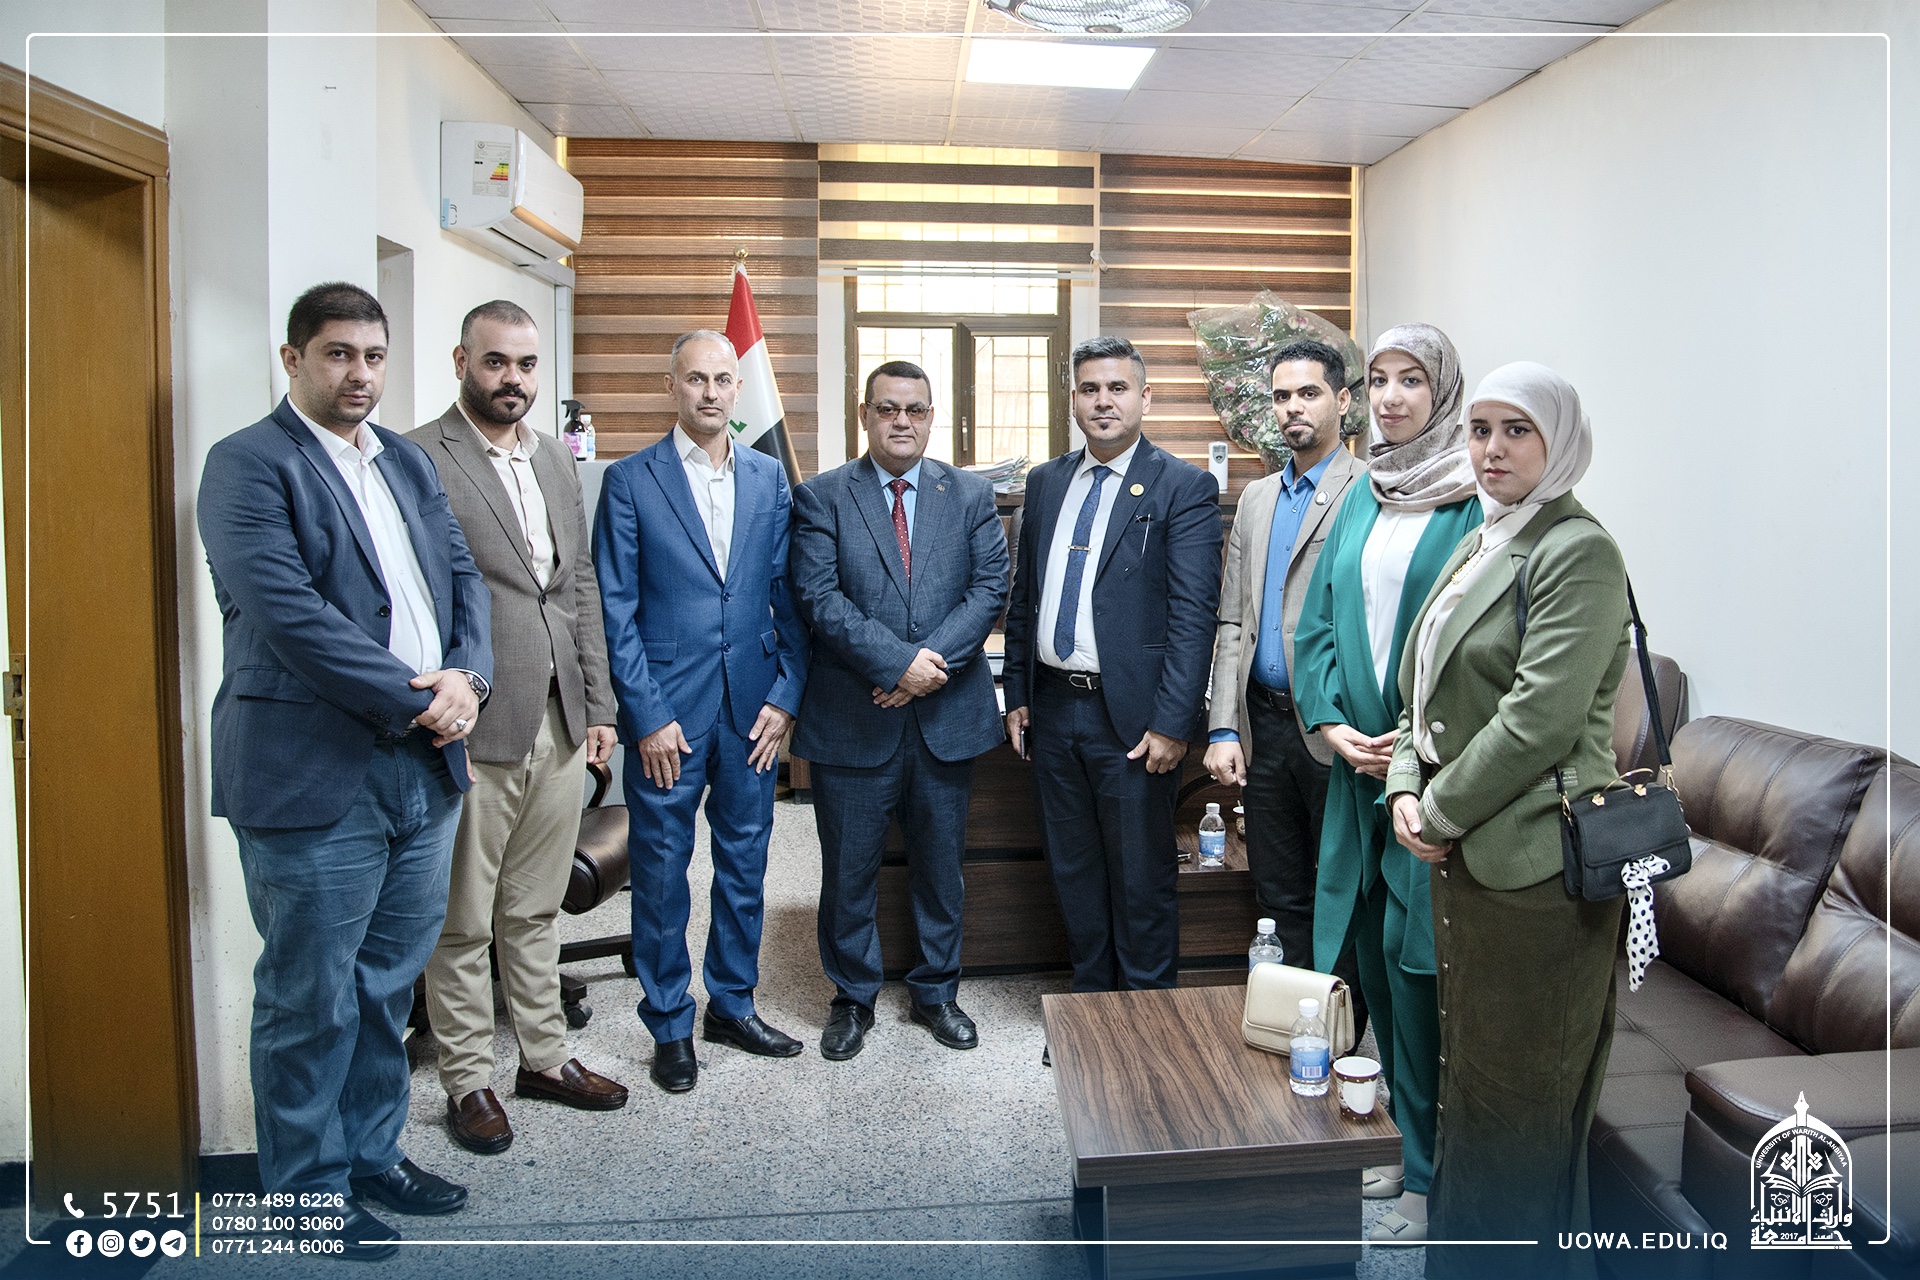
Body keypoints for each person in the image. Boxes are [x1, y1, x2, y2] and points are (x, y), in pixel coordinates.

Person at [197, 282, 491, 1261]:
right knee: (309, 995)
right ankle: (302, 1193)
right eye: (337, 353)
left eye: (373, 354)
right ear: (293, 360)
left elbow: (462, 581)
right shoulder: (247, 464)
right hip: (313, 771)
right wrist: (425, 696)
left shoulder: (404, 459)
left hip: (424, 768)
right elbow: (290, 617)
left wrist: (470, 677)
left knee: (385, 985)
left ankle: (371, 1154)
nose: (359, 373)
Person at [1382, 362, 1629, 1280]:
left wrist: (1439, 809)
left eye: (1516, 430)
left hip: (1537, 871)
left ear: (1559, 440)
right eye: (1479, 429)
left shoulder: (1578, 550)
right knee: (1473, 1090)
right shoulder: (1491, 536)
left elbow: (1540, 720)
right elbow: (1423, 686)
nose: (1491, 449)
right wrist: (1405, 781)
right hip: (1470, 859)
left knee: (1520, 1110)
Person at [409, 300, 627, 1155]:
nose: (513, 380)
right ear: (462, 360)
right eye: (496, 361)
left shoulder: (555, 460)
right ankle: (468, 1078)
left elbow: (578, 588)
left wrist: (599, 706)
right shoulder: (420, 457)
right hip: (475, 721)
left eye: (527, 365)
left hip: (562, 718)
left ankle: (545, 1057)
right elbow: (417, 595)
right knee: (464, 920)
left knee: (534, 908)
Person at [1290, 325, 1483, 1243]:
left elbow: (1473, 650)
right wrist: (1331, 725)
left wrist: (1406, 748)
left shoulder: (1476, 502)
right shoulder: (1365, 493)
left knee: (1417, 971)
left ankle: (1428, 1176)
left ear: (1444, 392)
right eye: (1380, 379)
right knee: (1366, 951)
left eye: (1414, 380)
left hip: (1426, 779)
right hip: (1354, 768)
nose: (1393, 397)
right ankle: (1400, 1138)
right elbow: (1318, 623)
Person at [593, 329, 809, 1094]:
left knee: (745, 866)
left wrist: (786, 696)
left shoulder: (768, 477)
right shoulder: (630, 481)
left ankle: (733, 1005)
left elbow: (790, 597)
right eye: (696, 379)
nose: (711, 392)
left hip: (752, 713)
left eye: (723, 379)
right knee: (660, 874)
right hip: (668, 720)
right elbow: (614, 611)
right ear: (672, 386)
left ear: (737, 389)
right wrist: (646, 717)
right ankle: (668, 1022)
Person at [790, 360, 1010, 1060]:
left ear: (931, 416)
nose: (902, 421)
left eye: (915, 409)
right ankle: (853, 998)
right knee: (848, 873)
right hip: (853, 718)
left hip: (944, 719)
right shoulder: (822, 496)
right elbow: (819, 597)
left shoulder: (970, 494)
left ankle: (936, 992)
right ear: (865, 415)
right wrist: (895, 665)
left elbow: (990, 588)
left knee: (942, 869)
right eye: (887, 408)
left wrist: (923, 672)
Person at [1002, 336, 1221, 1016]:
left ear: (1144, 398)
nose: (1104, 401)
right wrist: (1016, 695)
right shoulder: (1045, 482)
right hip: (1052, 707)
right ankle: (1091, 1010)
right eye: (1090, 389)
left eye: (1118, 388)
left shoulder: (1182, 486)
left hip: (1132, 719)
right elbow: (1026, 597)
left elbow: (1194, 615)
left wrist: (1173, 721)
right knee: (1072, 868)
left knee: (1140, 876)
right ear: (1073, 400)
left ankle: (1147, 1018)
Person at [1203, 339, 1367, 1011]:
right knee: (1276, 890)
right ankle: (1294, 1022)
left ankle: (1342, 1031)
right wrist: (1222, 726)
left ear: (1343, 401)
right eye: (1281, 396)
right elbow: (1232, 621)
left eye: (1309, 393)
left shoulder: (1369, 491)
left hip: (1334, 729)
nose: (1292, 408)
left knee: (1342, 889)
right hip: (1263, 727)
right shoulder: (1257, 498)